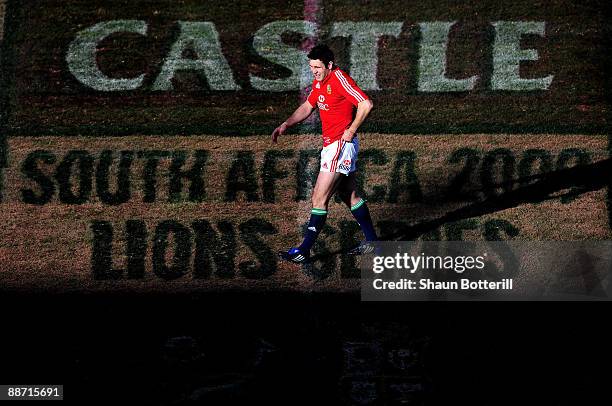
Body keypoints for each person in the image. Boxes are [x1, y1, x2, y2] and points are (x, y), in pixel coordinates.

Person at [272, 44, 378, 264]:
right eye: (311, 67)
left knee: (318, 198)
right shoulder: (320, 82)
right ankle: (374, 243)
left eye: (318, 67)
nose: (314, 71)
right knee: (349, 195)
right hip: (333, 146)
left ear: (329, 65)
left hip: (339, 145)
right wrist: (286, 124)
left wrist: (351, 130)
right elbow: (308, 106)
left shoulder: (340, 80)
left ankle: (303, 250)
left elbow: (366, 104)